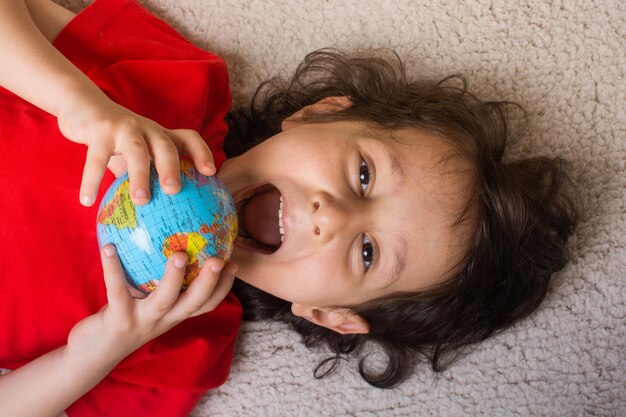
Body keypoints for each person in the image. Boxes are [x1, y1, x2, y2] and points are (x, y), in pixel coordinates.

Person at [0, 0, 581, 416]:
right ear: (320, 112)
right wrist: (80, 102)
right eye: (362, 174)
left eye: (369, 252)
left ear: (328, 312)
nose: (332, 215)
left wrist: (94, 351)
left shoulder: (174, 356)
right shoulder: (175, 84)